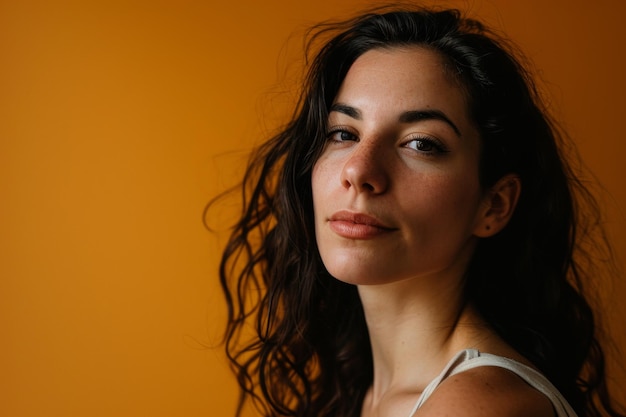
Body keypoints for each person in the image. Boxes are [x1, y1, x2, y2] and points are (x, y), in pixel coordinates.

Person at [211, 6, 625, 417]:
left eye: (421, 143)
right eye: (343, 133)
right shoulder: (364, 394)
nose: (358, 170)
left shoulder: (475, 408)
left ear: (494, 205)